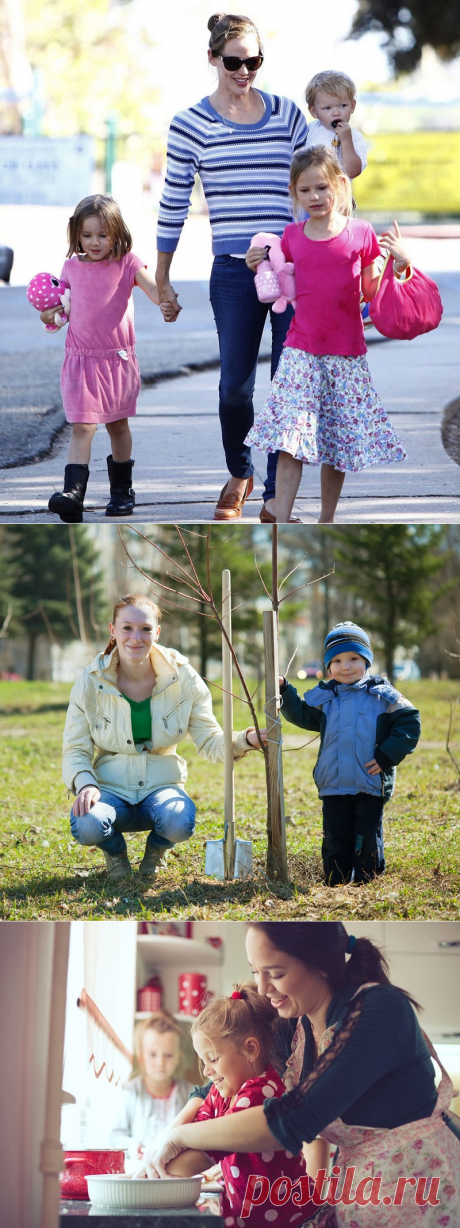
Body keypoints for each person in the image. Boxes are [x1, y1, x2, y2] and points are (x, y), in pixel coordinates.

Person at [137, 922, 460, 1228]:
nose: (263, 987)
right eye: (256, 971)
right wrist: (167, 1138)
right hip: (363, 1190)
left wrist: (179, 1137)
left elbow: (293, 1119)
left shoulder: (379, 1009)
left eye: (275, 973)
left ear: (319, 964)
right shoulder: (295, 1022)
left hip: (423, 1186)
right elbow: (217, 1082)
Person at [156, 12, 308, 523]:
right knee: (234, 389)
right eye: (234, 61)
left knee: (288, 383)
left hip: (293, 270)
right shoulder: (190, 124)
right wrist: (162, 277)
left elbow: (319, 184)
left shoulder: (288, 115)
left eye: (254, 61)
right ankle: (239, 470)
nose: (245, 71)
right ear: (213, 58)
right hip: (232, 273)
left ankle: (272, 493)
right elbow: (174, 203)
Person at [245, 147, 411, 523]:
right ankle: (282, 521)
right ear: (294, 192)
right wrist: (253, 262)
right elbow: (275, 276)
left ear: (339, 185)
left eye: (322, 187)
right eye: (305, 191)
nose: (315, 197)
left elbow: (371, 292)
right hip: (301, 352)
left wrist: (399, 263)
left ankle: (326, 520)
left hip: (346, 354)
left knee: (336, 447)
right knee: (291, 444)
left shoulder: (361, 233)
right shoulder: (290, 236)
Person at [63, 593, 262, 881]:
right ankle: (115, 854)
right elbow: (75, 748)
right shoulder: (91, 681)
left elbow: (209, 742)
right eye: (127, 628)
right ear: (112, 630)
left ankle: (156, 851)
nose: (136, 637)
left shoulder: (183, 678)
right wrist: (85, 784)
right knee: (86, 823)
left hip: (161, 787)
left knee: (179, 821)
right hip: (110, 789)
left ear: (157, 632)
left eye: (145, 629)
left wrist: (247, 739)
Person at [41, 193, 175, 523]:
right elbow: (59, 310)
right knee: (82, 427)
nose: (95, 242)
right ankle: (73, 495)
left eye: (102, 235)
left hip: (117, 361)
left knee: (117, 425)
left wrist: (166, 300)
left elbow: (153, 289)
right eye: (87, 235)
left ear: (117, 232)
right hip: (81, 361)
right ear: (76, 234)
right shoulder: (71, 266)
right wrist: (49, 315)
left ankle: (121, 491)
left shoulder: (127, 261)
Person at [153, 982, 315, 1226]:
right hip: (253, 1215)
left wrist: (157, 1170)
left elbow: (212, 1144)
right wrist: (164, 1150)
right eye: (203, 1061)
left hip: (290, 1220)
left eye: (213, 1059)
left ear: (250, 1049)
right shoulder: (223, 1090)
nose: (207, 1071)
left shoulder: (261, 1091)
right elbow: (202, 1121)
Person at [280, 621, 421, 885]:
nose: (346, 666)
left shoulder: (383, 696)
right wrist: (285, 690)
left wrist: (385, 757)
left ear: (367, 661)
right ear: (329, 667)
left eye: (354, 658)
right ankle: (336, 881)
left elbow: (410, 723)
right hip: (333, 784)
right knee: (335, 836)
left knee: (367, 835)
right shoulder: (325, 698)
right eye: (337, 660)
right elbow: (300, 714)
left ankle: (368, 879)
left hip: (370, 782)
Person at [109, 1011, 193, 1166]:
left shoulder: (191, 1094)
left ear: (178, 1058)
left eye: (168, 1055)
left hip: (178, 1171)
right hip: (140, 1169)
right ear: (141, 1057)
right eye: (152, 1054)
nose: (160, 1062)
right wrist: (133, 1147)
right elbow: (116, 1135)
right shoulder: (131, 1092)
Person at [304, 71, 367, 182]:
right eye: (327, 108)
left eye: (343, 105)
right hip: (312, 194)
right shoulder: (309, 130)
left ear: (352, 106)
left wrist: (346, 141)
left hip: (339, 196)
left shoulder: (354, 137)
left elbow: (352, 171)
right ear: (314, 111)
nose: (336, 113)